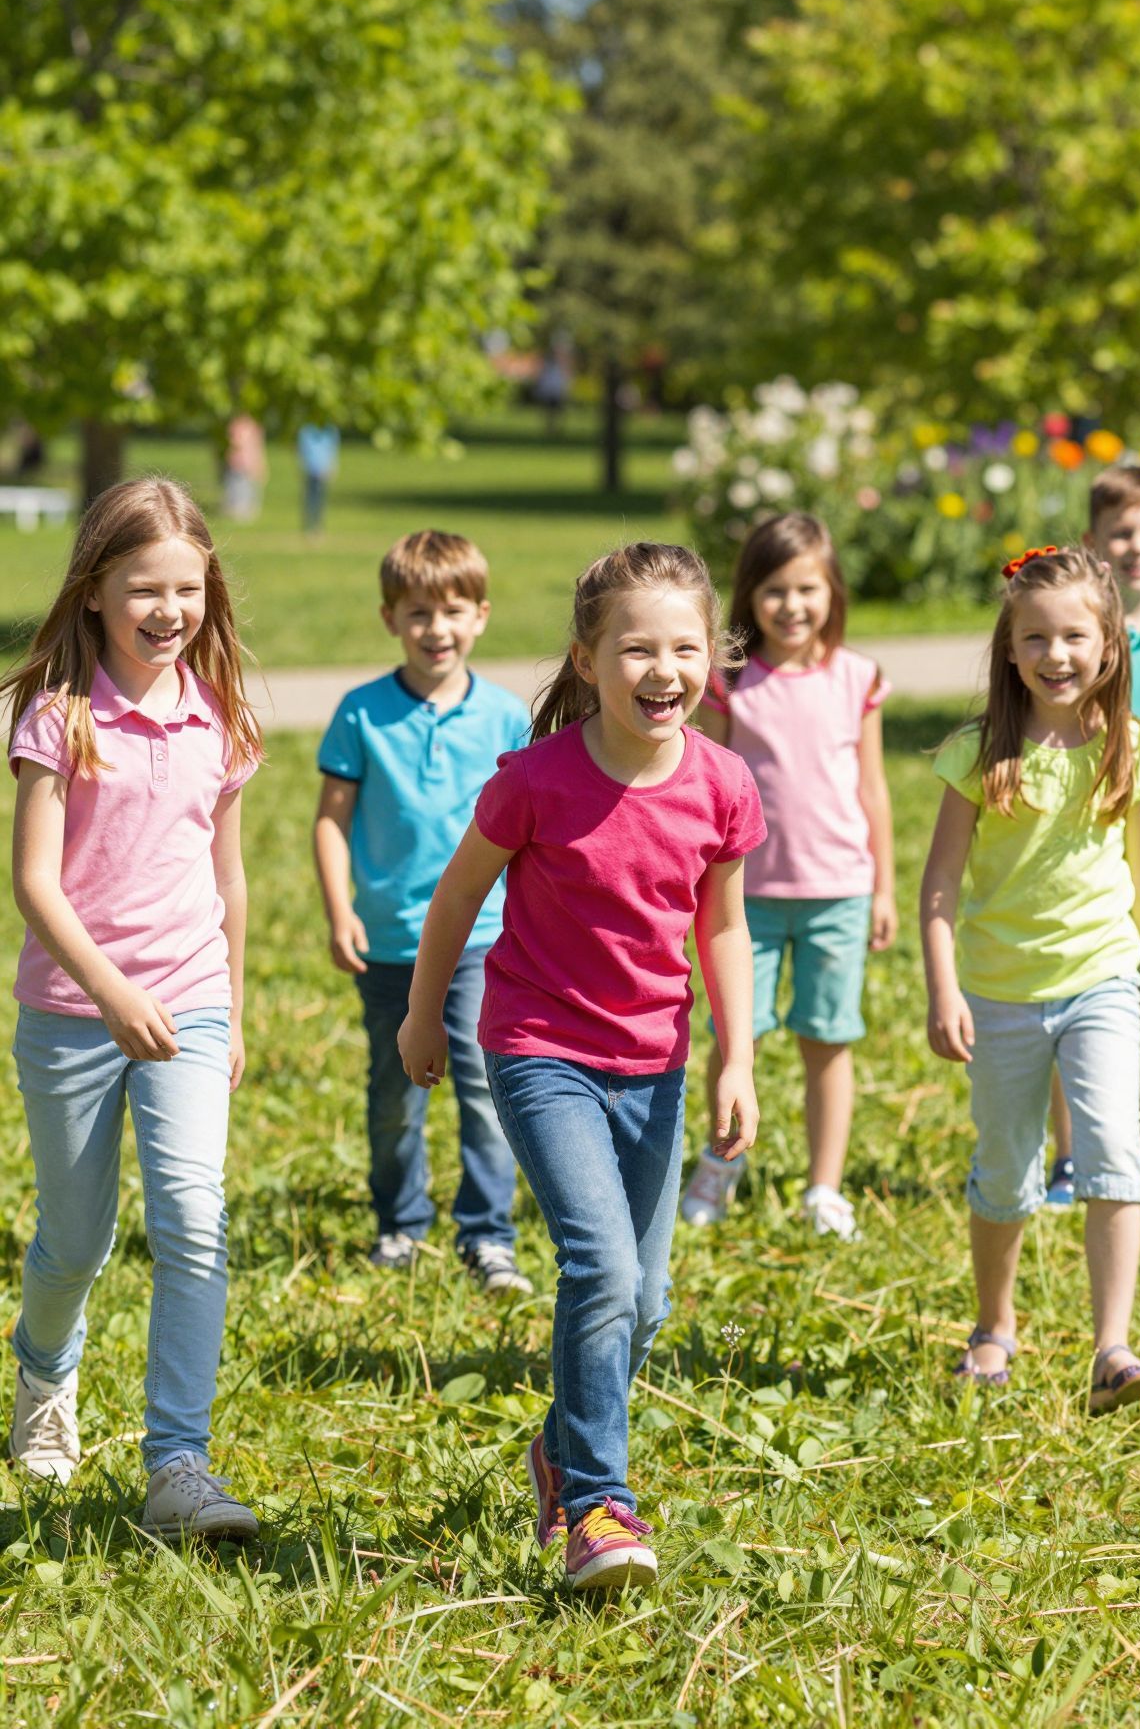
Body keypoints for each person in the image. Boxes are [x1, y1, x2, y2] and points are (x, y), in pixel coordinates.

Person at [397, 543, 765, 1590]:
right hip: (538, 1046)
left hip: (656, 1061)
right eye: (637, 647)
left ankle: (561, 1443)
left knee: (643, 1300)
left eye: (686, 647)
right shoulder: (536, 780)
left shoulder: (722, 782)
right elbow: (459, 897)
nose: (664, 669)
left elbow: (723, 926)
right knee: (600, 1267)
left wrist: (737, 1059)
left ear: (712, 658)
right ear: (588, 659)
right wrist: (426, 1013)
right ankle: (598, 1501)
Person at [2, 477, 264, 1536]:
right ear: (97, 591)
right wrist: (110, 992)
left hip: (191, 1002)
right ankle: (43, 1380)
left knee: (195, 1219)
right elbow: (35, 881)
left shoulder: (221, 716)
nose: (168, 610)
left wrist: (233, 1008)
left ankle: (177, 1462)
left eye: (186, 588)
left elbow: (229, 875)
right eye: (143, 587)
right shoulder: (59, 715)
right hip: (75, 1007)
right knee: (75, 1239)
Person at [921, 544, 1140, 1411]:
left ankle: (1113, 1350)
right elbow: (939, 882)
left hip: (1103, 981)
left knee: (1115, 1156)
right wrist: (943, 987)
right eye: (1036, 639)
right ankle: (994, 1326)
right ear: (1009, 649)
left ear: (1111, 644)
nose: (1057, 656)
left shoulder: (1132, 749)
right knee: (1007, 1167)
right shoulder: (981, 753)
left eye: (1074, 637)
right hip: (1001, 994)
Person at [314, 531, 532, 1294]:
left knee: (483, 1087)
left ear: (481, 615)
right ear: (389, 618)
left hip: (482, 942)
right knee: (395, 1093)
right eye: (417, 613)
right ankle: (400, 1225)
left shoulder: (508, 719)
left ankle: (488, 1234)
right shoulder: (360, 713)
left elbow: (530, 838)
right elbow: (330, 819)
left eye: (452, 610)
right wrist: (340, 908)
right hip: (389, 943)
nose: (436, 628)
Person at [681, 512, 896, 1241]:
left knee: (828, 1039)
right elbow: (703, 789)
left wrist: (886, 887)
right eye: (774, 590)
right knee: (734, 1037)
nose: (792, 606)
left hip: (840, 891)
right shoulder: (728, 681)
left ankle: (824, 1186)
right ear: (749, 595)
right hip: (747, 903)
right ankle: (718, 1166)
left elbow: (872, 790)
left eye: (808, 588)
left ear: (832, 591)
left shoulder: (858, 677)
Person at [1047, 467, 1140, 1203]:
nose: (1139, 546)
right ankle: (1070, 1152)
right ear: (1093, 544)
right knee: (1080, 993)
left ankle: (1134, 1136)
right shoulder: (1080, 641)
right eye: (1123, 533)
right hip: (1090, 846)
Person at [296, 423, 340, 533]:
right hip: (310, 468)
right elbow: (301, 449)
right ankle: (309, 525)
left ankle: (317, 526)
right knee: (310, 500)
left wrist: (332, 467)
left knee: (320, 501)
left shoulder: (329, 428)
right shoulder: (306, 428)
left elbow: (333, 449)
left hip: (323, 469)